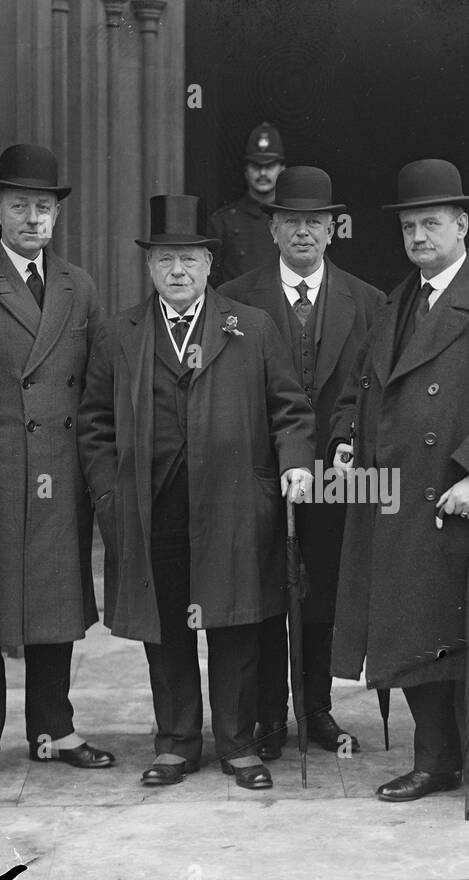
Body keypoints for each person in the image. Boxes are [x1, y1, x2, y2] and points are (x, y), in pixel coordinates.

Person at [329, 159, 469, 823]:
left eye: (432, 222)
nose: (419, 235)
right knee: (413, 634)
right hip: (401, 503)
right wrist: (346, 442)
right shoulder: (394, 304)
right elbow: (361, 390)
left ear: (461, 226)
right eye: (410, 224)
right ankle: (436, 760)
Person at [77, 195, 315, 790]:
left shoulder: (250, 327)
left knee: (234, 626)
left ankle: (237, 744)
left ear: (210, 265)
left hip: (233, 507)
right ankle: (177, 743)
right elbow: (95, 424)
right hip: (152, 507)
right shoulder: (120, 332)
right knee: (167, 630)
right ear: (149, 267)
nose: (177, 271)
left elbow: (290, 411)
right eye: (164, 261)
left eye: (188, 259)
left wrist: (294, 465)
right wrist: (109, 495)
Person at [0, 144, 115, 791]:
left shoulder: (78, 284)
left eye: (44, 208)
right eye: (20, 207)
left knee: (53, 605)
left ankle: (53, 730)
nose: (34, 219)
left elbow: (96, 389)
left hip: (58, 471)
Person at [218, 165, 385, 761]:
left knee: (321, 599)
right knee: (264, 596)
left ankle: (315, 709)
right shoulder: (235, 299)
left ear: (334, 229)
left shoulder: (369, 302)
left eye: (315, 222)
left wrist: (346, 441)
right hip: (261, 480)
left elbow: (372, 391)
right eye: (292, 222)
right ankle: (266, 716)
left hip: (336, 481)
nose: (304, 233)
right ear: (274, 229)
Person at [206, 122, 285, 285]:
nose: (262, 173)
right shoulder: (223, 222)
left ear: (282, 169)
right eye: (256, 166)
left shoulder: (293, 218)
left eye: (269, 166)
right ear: (246, 170)